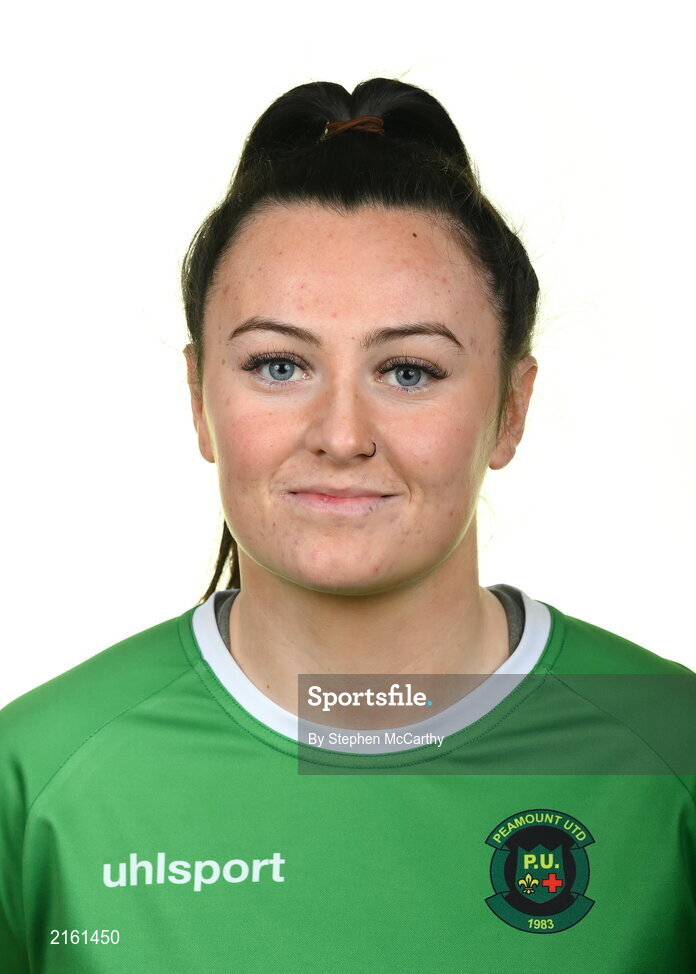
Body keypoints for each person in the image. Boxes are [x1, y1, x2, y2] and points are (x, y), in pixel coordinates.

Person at [1, 77, 694, 973]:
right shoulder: (38, 774)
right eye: (279, 364)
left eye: (408, 371)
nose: (340, 435)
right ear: (200, 402)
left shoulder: (672, 751)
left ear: (511, 411)